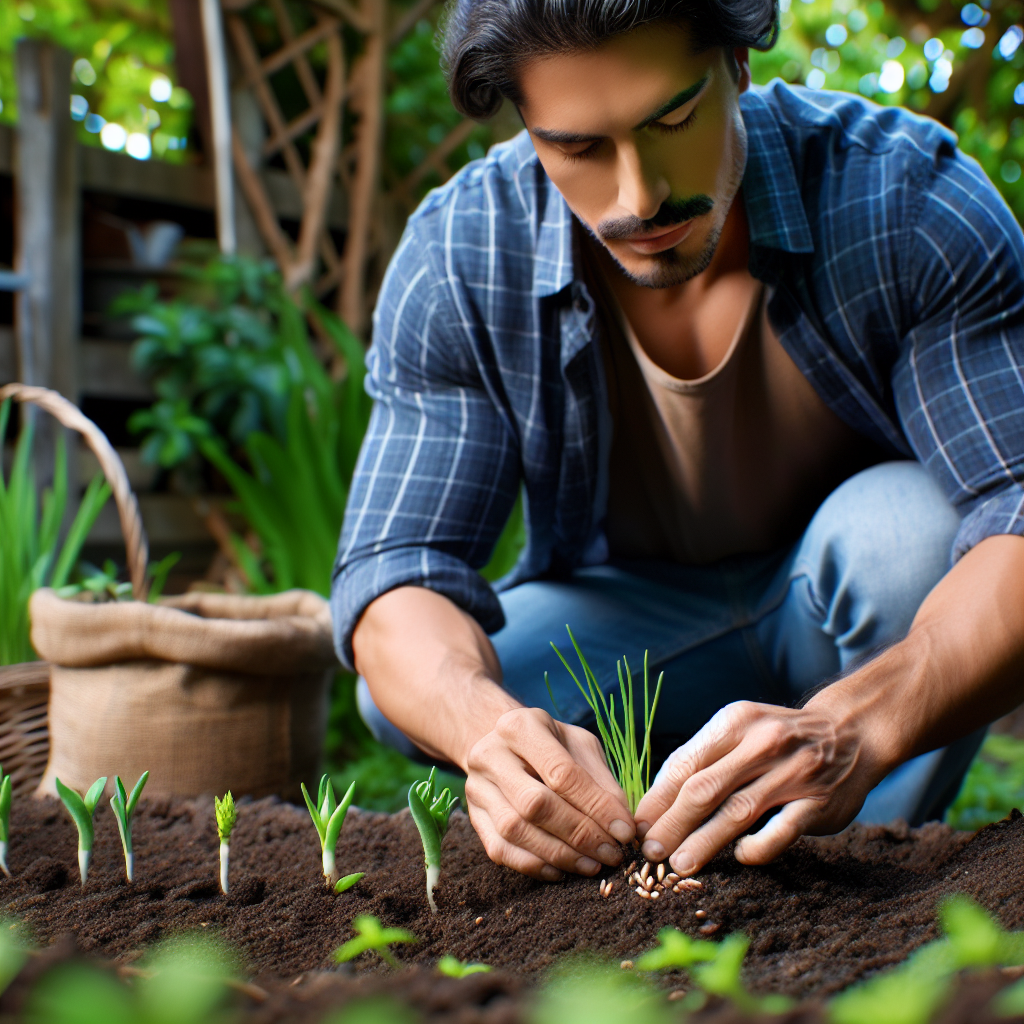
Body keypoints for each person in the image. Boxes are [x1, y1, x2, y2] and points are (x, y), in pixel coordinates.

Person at [331, 0, 1024, 884]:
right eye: (577, 148)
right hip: (636, 631)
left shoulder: (903, 199)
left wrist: (854, 726)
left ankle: (868, 869)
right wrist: (486, 733)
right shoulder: (463, 252)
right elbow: (395, 568)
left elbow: (1019, 506)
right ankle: (640, 839)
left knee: (911, 538)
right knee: (434, 681)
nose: (639, 196)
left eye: (673, 119)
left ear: (737, 64)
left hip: (849, 616)